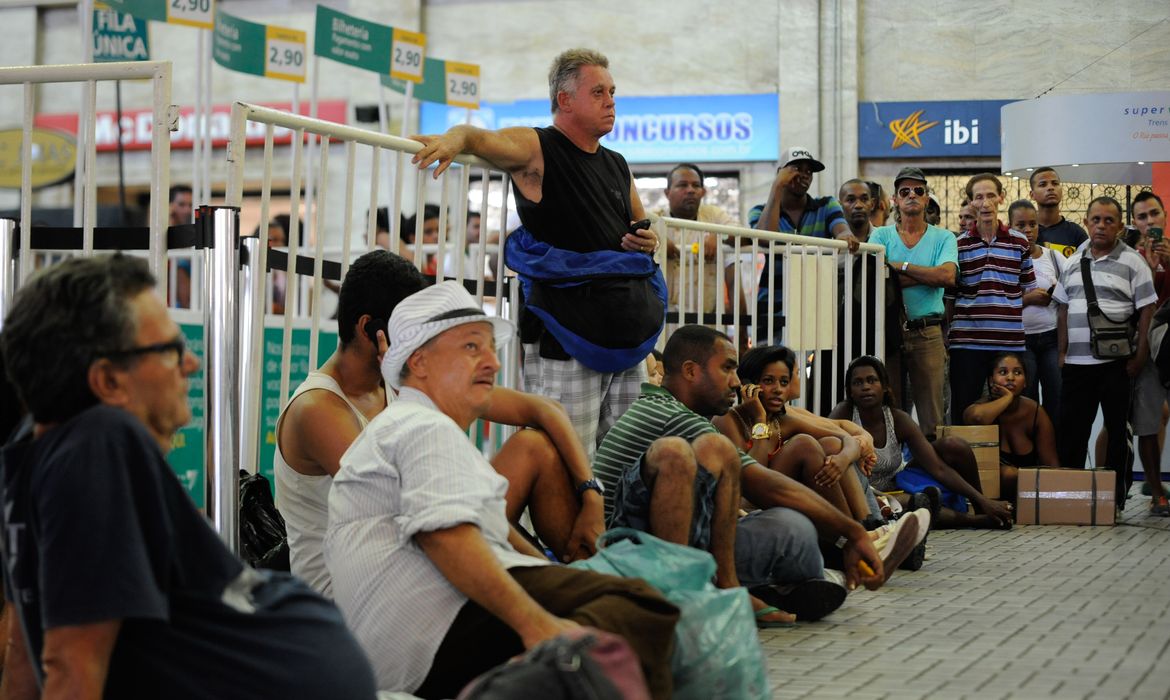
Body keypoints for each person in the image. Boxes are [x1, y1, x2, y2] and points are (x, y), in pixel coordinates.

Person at [0, 254, 377, 698]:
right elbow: (69, 665)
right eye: (169, 351)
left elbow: (27, 649)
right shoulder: (95, 446)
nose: (192, 364)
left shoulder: (31, 450)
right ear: (108, 381)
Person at [325, 281, 678, 698]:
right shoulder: (419, 426)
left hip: (414, 635)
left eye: (492, 348)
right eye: (472, 348)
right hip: (430, 631)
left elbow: (490, 535)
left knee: (610, 611)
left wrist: (561, 576)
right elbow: (444, 535)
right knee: (639, 606)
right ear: (419, 363)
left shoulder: (419, 428)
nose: (492, 362)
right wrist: (536, 625)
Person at [276, 251, 606, 597]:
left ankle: (577, 576)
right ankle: (566, 586)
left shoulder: (401, 376)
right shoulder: (318, 409)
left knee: (534, 448)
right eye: (409, 330)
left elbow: (545, 410)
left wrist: (591, 494)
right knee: (462, 519)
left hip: (413, 539)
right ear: (368, 329)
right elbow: (407, 498)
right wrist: (542, 570)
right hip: (349, 585)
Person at [410, 48, 664, 460]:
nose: (611, 101)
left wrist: (647, 242)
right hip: (566, 331)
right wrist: (453, 140)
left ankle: (620, 529)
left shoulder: (617, 163)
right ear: (565, 100)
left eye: (612, 91)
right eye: (598, 91)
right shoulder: (536, 147)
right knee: (565, 459)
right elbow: (477, 137)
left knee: (630, 460)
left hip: (627, 332)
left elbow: (641, 228)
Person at [594, 327, 927, 620]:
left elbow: (833, 435)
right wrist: (850, 532)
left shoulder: (666, 409)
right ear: (691, 371)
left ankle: (809, 571)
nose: (737, 382)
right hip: (636, 555)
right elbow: (761, 485)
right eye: (727, 368)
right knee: (792, 531)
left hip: (661, 541)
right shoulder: (680, 417)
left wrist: (854, 448)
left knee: (793, 516)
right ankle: (834, 560)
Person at [1054, 196, 1157, 509]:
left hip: (1117, 365)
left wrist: (1139, 357)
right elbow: (1061, 309)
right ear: (1086, 222)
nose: (1101, 226)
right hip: (1076, 365)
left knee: (1116, 434)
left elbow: (1147, 310)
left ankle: (1115, 500)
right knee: (1072, 432)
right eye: (1095, 219)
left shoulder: (1133, 262)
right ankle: (1070, 498)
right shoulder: (1073, 262)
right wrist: (1062, 354)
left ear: (1120, 227)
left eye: (1109, 220)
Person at [830, 356, 1015, 529]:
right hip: (866, 495)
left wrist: (983, 500)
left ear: (885, 386)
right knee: (914, 504)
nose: (865, 387)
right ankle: (978, 520)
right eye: (858, 383)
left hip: (897, 484)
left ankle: (982, 507)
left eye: (872, 380)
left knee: (954, 445)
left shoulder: (898, 419)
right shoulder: (843, 413)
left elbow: (938, 468)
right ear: (850, 392)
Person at [713, 344, 869, 523]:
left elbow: (846, 439)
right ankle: (851, 533)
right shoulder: (728, 420)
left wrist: (842, 459)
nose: (778, 389)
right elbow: (752, 479)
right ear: (748, 386)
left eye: (784, 382)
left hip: (780, 494)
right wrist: (759, 419)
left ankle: (868, 524)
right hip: (747, 506)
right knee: (804, 444)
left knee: (832, 445)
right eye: (769, 380)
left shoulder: (783, 421)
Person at [869, 167, 958, 440]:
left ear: (927, 197)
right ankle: (891, 473)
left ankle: (934, 474)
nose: (912, 196)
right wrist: (926, 276)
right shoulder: (882, 235)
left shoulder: (944, 237)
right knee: (889, 411)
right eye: (904, 191)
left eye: (918, 191)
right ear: (894, 199)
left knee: (933, 418)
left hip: (928, 331)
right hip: (890, 332)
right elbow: (875, 277)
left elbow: (947, 276)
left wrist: (900, 267)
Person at [946, 173, 1037, 424]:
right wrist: (948, 336)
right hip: (967, 342)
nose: (985, 203)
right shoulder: (958, 245)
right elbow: (951, 297)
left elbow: (1027, 287)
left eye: (990, 196)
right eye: (978, 197)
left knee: (1012, 415)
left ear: (1001, 198)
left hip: (1008, 342)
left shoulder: (1019, 242)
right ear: (971, 203)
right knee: (964, 412)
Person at [750, 147, 855, 343]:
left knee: (811, 369)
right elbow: (765, 238)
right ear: (780, 172)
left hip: (814, 303)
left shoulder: (826, 205)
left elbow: (842, 230)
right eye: (796, 168)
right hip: (771, 304)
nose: (804, 175)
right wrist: (777, 186)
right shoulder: (759, 211)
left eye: (809, 171)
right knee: (768, 363)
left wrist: (846, 236)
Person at [653, 163, 749, 349]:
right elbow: (636, 226)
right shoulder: (656, 220)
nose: (690, 190)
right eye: (682, 185)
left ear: (703, 192)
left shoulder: (713, 216)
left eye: (696, 186)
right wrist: (659, 239)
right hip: (662, 324)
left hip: (707, 322)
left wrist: (718, 235)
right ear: (667, 192)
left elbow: (745, 236)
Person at [1125, 191, 1170, 515]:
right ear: (1135, 223)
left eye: (1154, 213)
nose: (1149, 221)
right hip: (1147, 347)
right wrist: (1150, 270)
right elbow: (1133, 306)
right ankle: (1156, 493)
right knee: (1148, 420)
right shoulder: (1130, 258)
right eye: (1142, 217)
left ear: (1164, 214)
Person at [963, 352, 1059, 500]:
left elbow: (1051, 465)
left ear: (1026, 381)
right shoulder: (981, 407)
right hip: (987, 494)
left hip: (1028, 494)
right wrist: (1007, 398)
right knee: (1008, 474)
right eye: (1003, 372)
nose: (1010, 378)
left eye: (1017, 372)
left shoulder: (1035, 412)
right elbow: (976, 418)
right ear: (991, 380)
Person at [1008, 199, 1066, 427]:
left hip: (1051, 338)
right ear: (1010, 227)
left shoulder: (1054, 258)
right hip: (1021, 341)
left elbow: (1067, 300)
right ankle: (1031, 458)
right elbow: (998, 302)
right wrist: (1026, 299)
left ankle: (1057, 455)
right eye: (1020, 225)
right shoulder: (1006, 260)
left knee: (1057, 397)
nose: (1028, 230)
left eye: (1032, 224)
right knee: (1027, 400)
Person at [1030, 167, 1088, 258]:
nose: (1050, 188)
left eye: (1055, 183)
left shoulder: (1076, 233)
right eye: (1043, 184)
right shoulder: (1025, 231)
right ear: (1032, 195)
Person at [170, 184, 194, 309]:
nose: (187, 210)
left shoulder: (194, 236)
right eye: (181, 204)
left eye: (190, 205)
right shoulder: (160, 237)